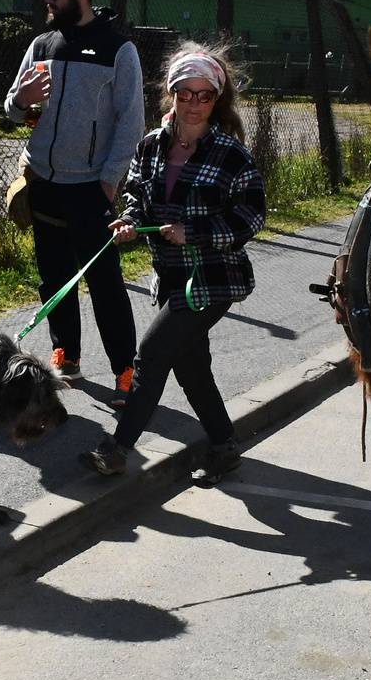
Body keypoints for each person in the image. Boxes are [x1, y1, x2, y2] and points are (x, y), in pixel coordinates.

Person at [80, 44, 264, 485]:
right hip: (172, 276)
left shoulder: (230, 153)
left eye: (204, 95)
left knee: (152, 353)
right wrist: (127, 222)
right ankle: (224, 446)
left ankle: (117, 449)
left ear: (216, 99)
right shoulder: (151, 146)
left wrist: (193, 232)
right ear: (172, 94)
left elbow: (252, 216)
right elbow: (138, 197)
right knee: (191, 367)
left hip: (213, 279)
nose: (194, 103)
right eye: (185, 94)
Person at [4, 0, 143, 399]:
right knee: (54, 276)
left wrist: (110, 180)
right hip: (43, 181)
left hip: (90, 187)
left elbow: (131, 122)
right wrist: (20, 103)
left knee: (104, 281)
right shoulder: (42, 44)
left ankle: (125, 367)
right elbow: (12, 107)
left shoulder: (118, 49)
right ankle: (67, 353)